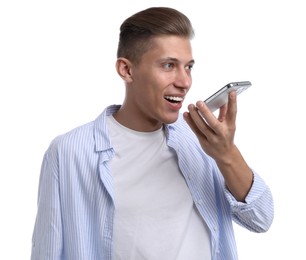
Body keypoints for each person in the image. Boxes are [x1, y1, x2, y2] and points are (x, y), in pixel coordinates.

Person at [31, 6, 274, 260]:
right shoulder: (69, 152)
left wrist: (226, 154)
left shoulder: (200, 137)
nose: (184, 82)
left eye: (188, 67)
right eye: (169, 65)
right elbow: (47, 250)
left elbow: (261, 218)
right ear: (127, 70)